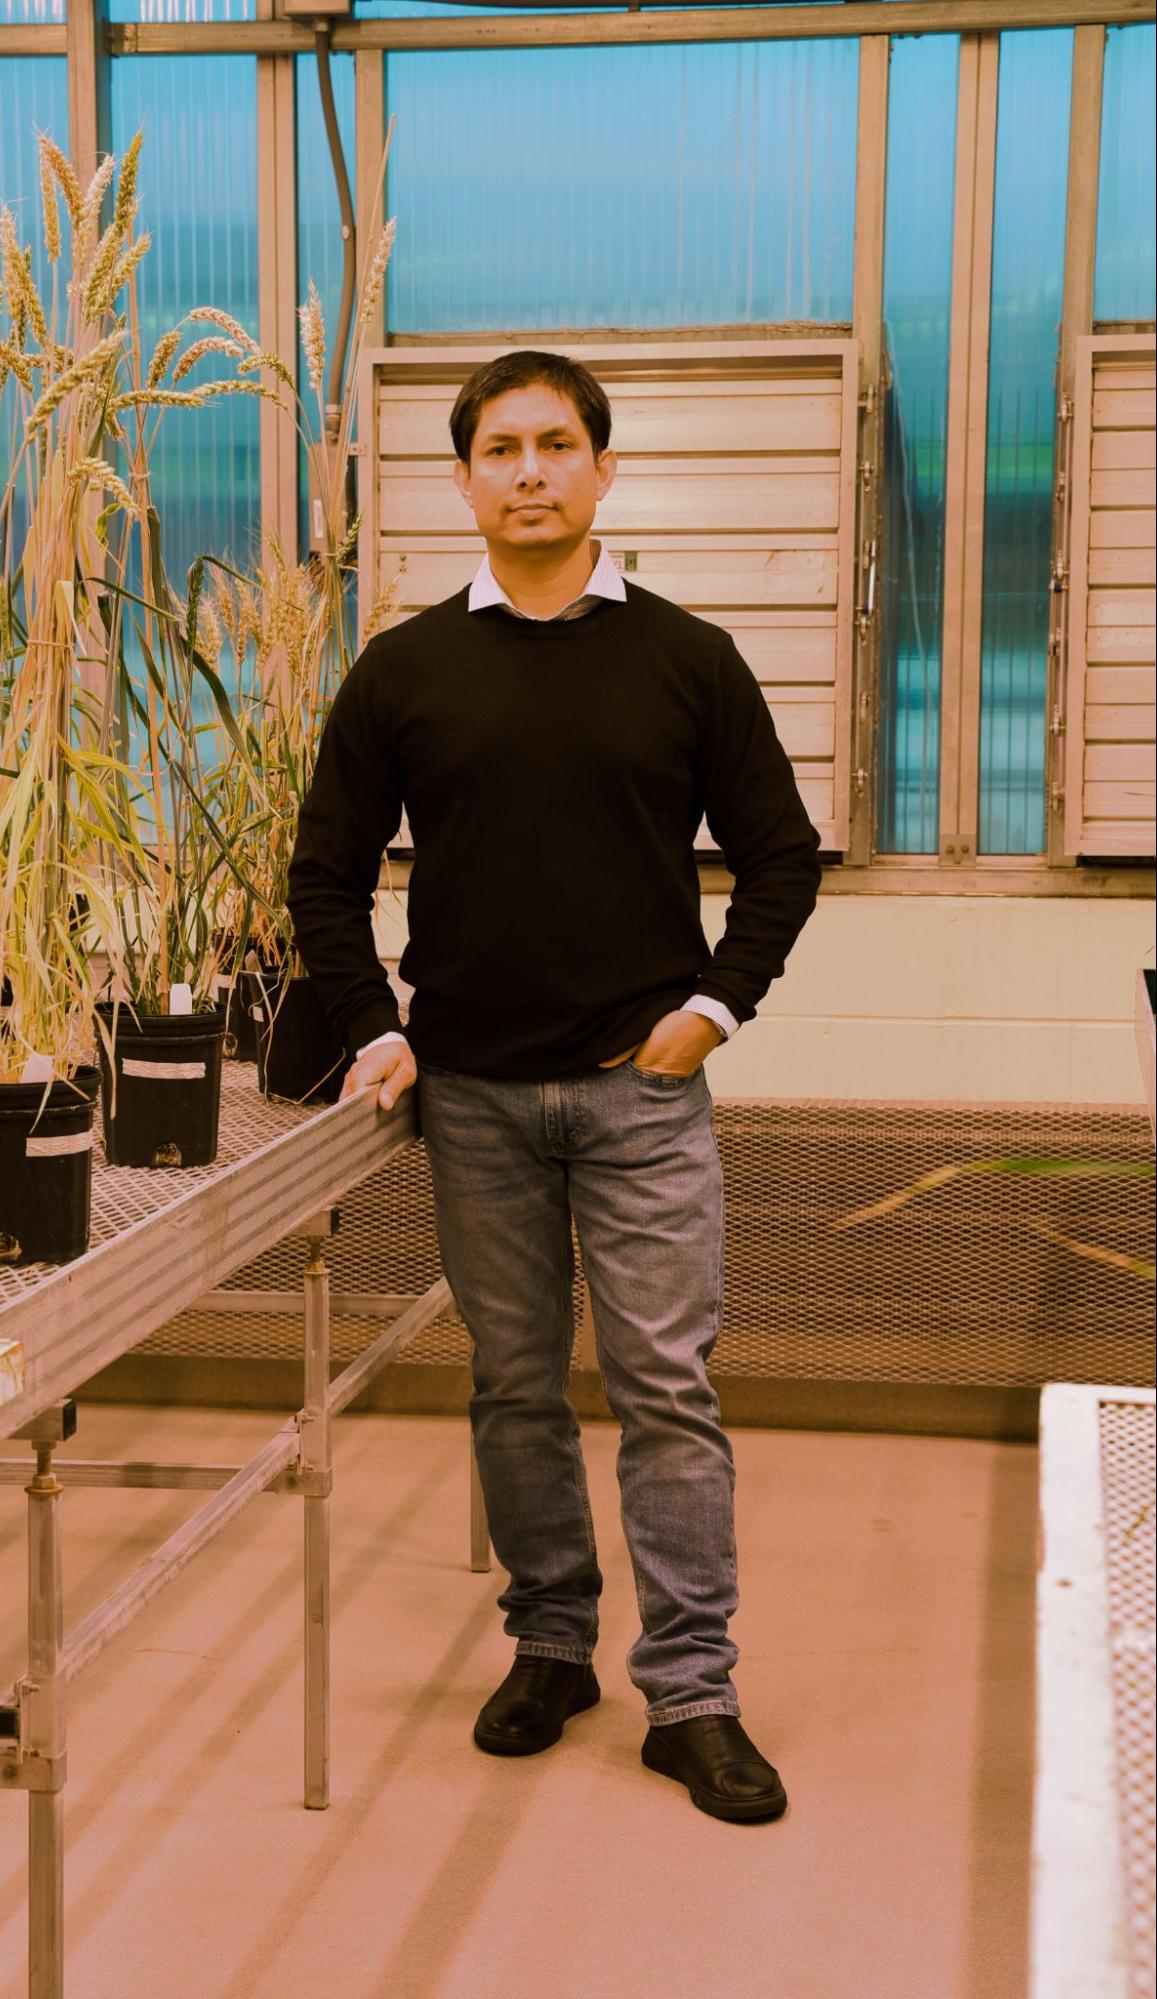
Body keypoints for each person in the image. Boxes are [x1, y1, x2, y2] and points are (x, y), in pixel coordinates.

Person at [285, 349, 821, 1824]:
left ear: (601, 468)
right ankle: (550, 1645)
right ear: (462, 479)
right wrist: (371, 1027)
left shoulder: (685, 657)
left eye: (554, 445)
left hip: (639, 1096)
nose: (528, 471)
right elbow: (323, 876)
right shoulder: (404, 670)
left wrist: (714, 1006)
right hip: (467, 1099)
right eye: (499, 449)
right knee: (513, 1386)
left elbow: (781, 855)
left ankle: (694, 1695)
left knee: (663, 1386)